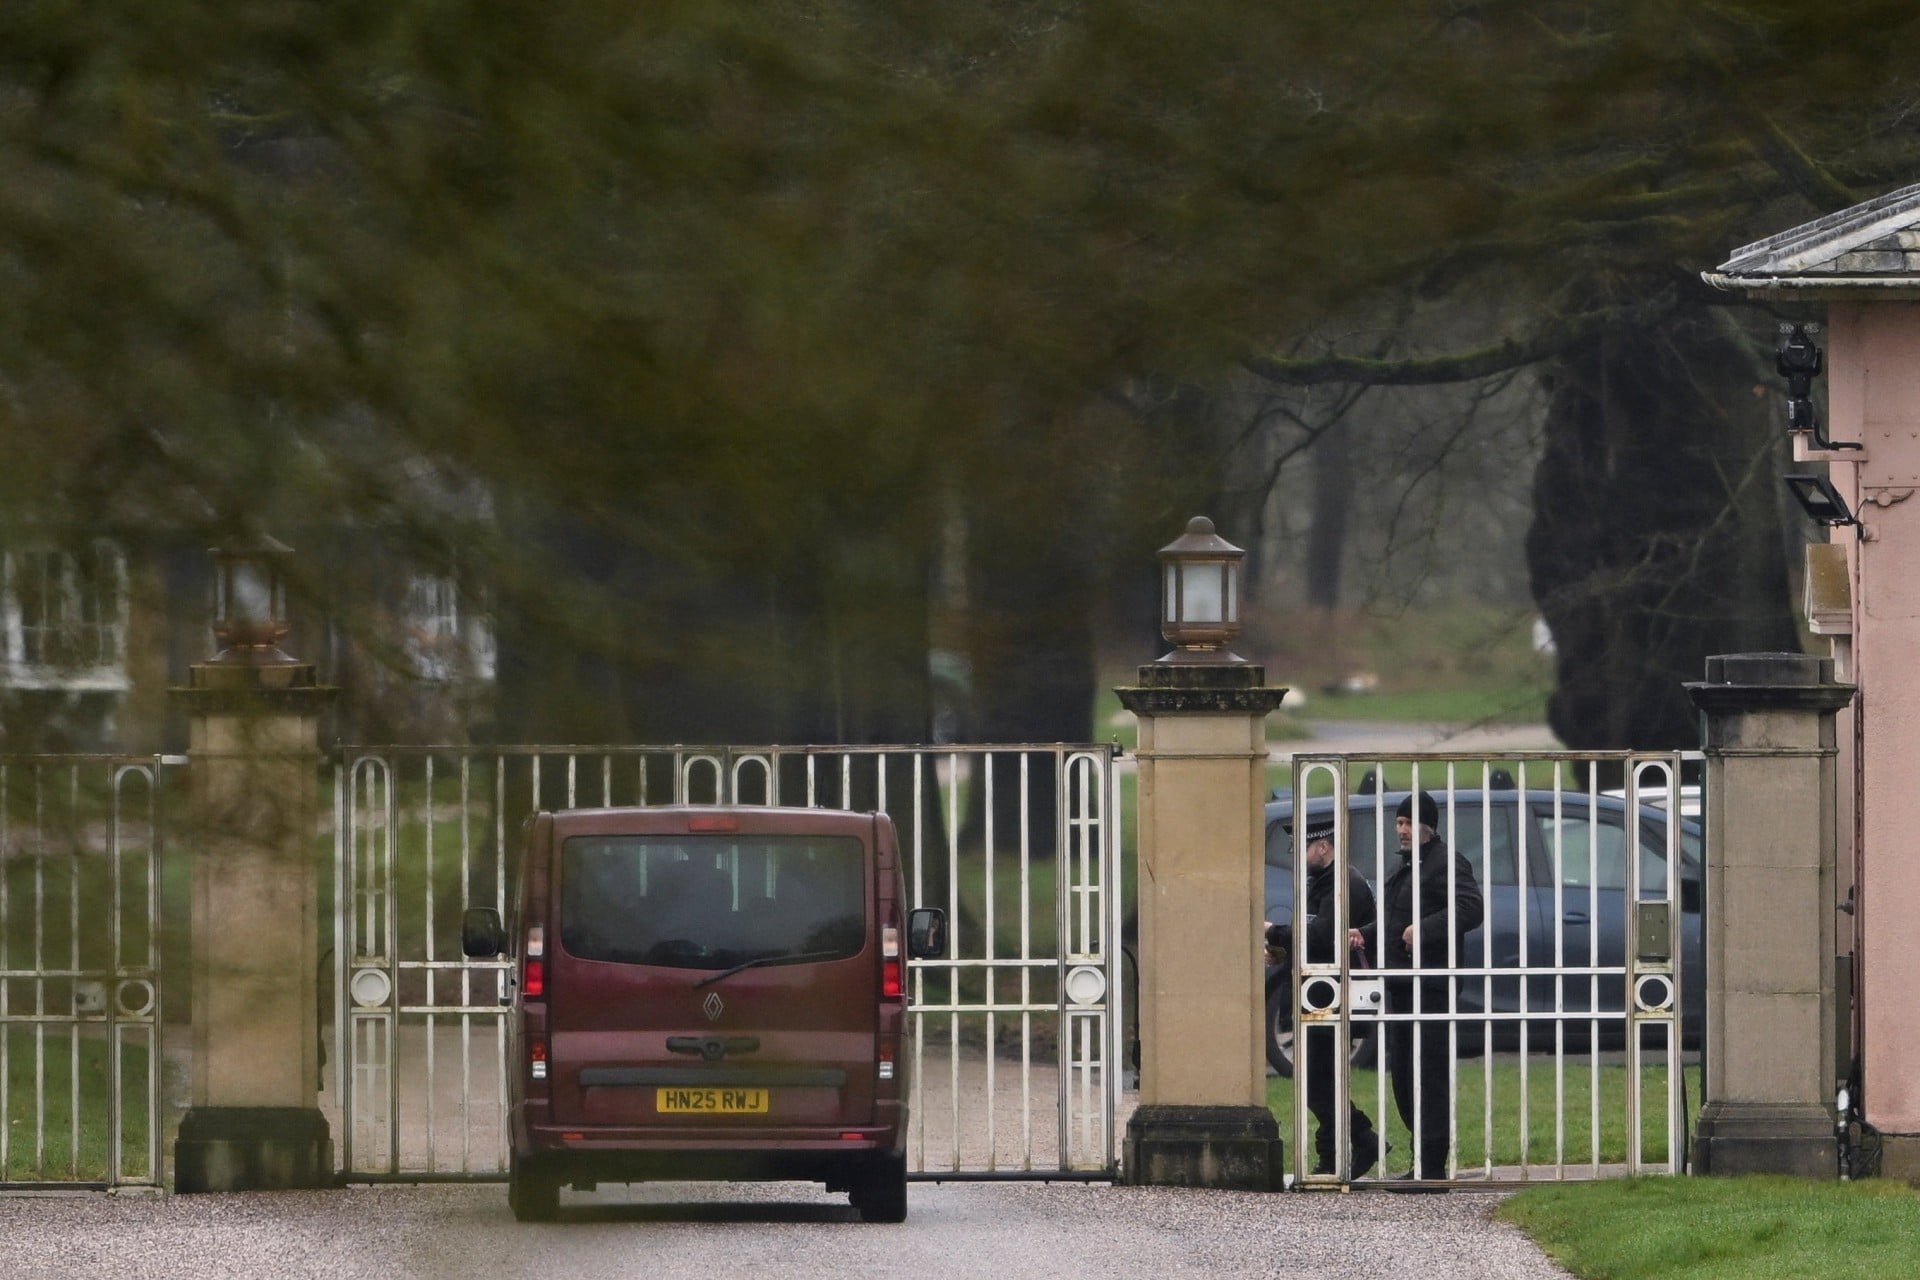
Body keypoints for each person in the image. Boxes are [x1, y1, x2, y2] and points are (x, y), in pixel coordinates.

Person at [1264, 817, 1380, 1177]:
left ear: (1323, 847)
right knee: (1319, 1080)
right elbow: (1311, 936)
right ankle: (1334, 1155)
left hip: (1337, 993)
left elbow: (1321, 935)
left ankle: (1360, 1140)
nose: (1296, 857)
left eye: (1301, 848)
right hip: (1318, 992)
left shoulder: (1344, 883)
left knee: (1317, 1082)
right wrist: (1283, 952)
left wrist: (1274, 932)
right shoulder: (1321, 882)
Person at [1380, 790, 1482, 1183]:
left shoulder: (1446, 862)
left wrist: (1424, 930)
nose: (1401, 830)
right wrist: (1365, 934)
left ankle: (1431, 1165)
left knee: (1428, 1076)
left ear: (1428, 827)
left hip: (1432, 986)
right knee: (1404, 1077)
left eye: (1408, 823)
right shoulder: (1406, 866)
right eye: (1399, 823)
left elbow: (1471, 908)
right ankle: (1420, 1157)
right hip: (1402, 985)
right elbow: (1394, 920)